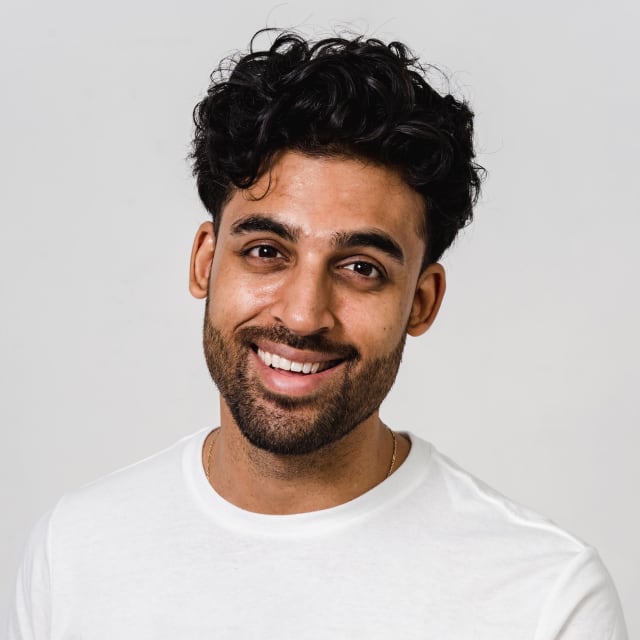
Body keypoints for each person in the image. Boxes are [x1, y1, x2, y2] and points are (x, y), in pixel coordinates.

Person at [8, 30, 627, 639]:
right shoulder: (76, 551)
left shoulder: (544, 598)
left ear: (422, 302)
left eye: (361, 268)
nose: (304, 316)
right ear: (205, 262)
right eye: (266, 251)